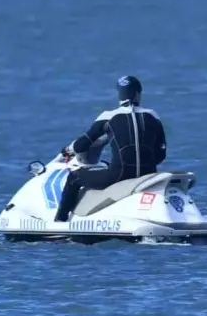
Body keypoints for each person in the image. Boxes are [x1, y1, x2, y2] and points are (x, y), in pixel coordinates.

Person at [54, 76, 168, 222]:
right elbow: (161, 154)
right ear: (138, 94)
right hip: (148, 175)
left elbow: (80, 146)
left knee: (74, 177)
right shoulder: (153, 115)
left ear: (119, 95)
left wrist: (68, 150)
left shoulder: (109, 116)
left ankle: (60, 221)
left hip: (118, 176)